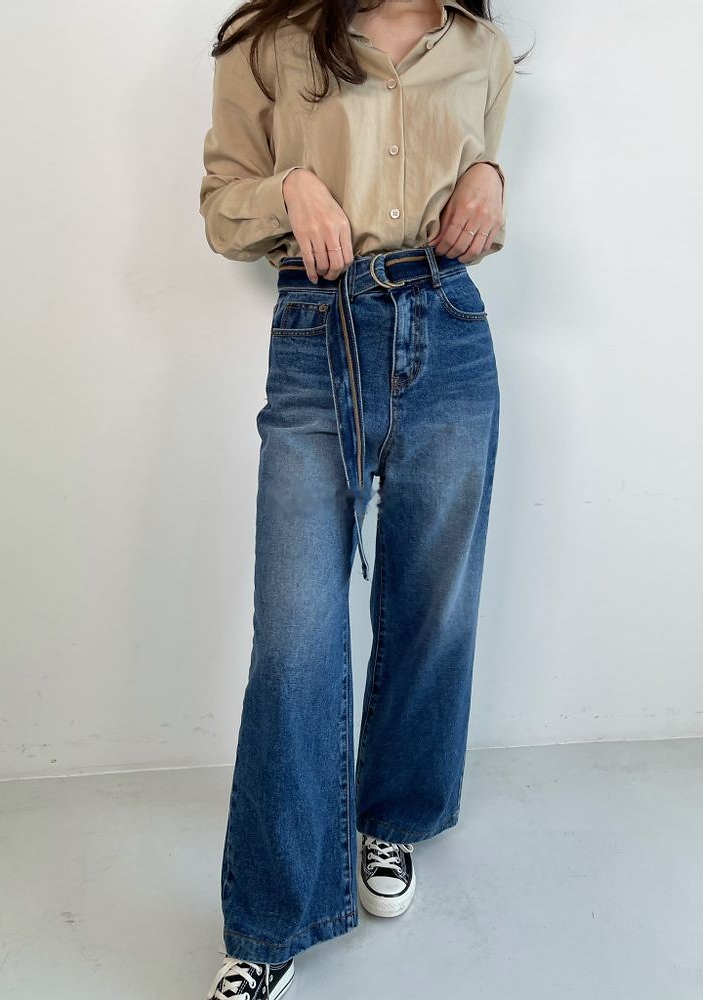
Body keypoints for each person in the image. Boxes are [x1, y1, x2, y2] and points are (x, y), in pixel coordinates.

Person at [199, 1, 524, 995]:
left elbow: (477, 179)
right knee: (294, 637)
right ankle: (270, 923)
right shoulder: (268, 42)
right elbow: (220, 207)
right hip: (317, 336)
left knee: (434, 608)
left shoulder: (480, 48)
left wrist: (490, 177)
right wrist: (292, 187)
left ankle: (391, 817)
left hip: (449, 330)